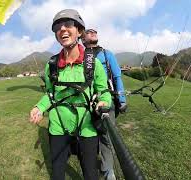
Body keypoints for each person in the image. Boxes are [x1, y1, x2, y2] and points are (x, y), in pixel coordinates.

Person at [29, 9, 112, 180]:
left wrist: (104, 102)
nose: (63, 29)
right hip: (58, 127)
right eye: (58, 27)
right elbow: (51, 93)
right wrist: (40, 107)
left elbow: (103, 91)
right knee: (57, 173)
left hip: (87, 127)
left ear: (80, 31)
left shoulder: (93, 64)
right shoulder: (51, 65)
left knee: (90, 173)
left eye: (68, 24)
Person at [82, 28, 128, 180]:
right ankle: (89, 164)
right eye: (89, 32)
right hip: (85, 103)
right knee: (87, 135)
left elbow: (117, 77)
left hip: (106, 100)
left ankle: (108, 170)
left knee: (106, 136)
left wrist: (122, 100)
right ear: (82, 39)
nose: (93, 32)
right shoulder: (80, 56)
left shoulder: (107, 54)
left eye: (95, 31)